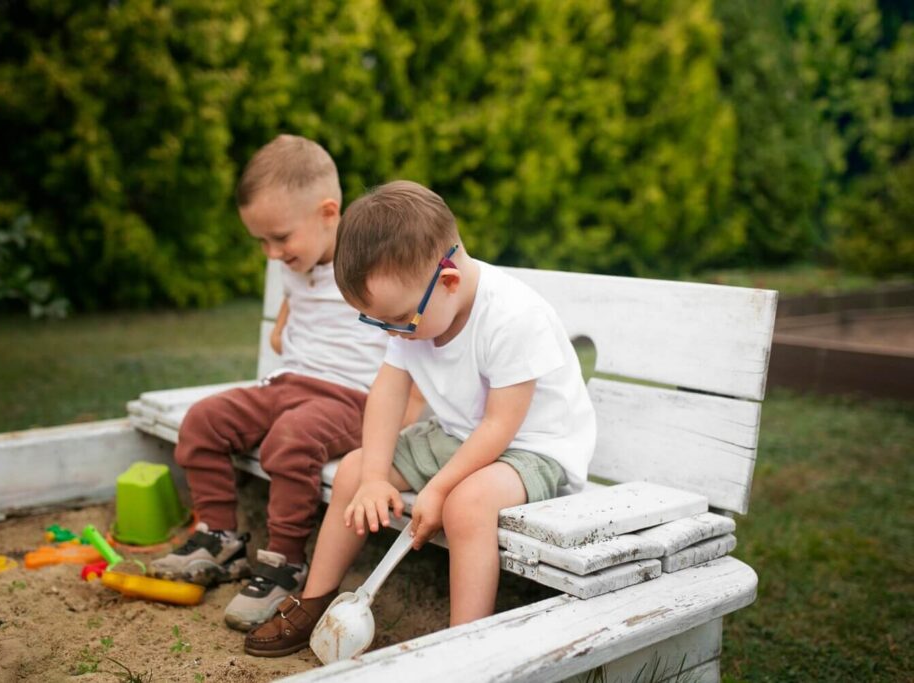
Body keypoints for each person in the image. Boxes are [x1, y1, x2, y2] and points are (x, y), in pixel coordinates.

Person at [244, 180, 596, 657]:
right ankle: (315, 601)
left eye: (398, 321)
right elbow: (388, 393)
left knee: (466, 506)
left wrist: (438, 488)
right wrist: (372, 478)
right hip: (457, 435)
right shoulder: (415, 310)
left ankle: (463, 645)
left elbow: (500, 426)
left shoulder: (513, 316)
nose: (394, 333)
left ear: (447, 281)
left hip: (533, 447)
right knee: (352, 470)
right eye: (380, 322)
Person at [150, 136, 419, 632]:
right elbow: (303, 294)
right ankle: (220, 538)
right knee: (204, 420)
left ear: (328, 213)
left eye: (280, 238)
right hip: (287, 383)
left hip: (349, 397)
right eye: (262, 242)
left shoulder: (373, 263)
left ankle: (284, 563)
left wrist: (407, 413)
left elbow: (415, 337)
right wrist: (283, 325)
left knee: (290, 441)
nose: (272, 254)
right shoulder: (300, 258)